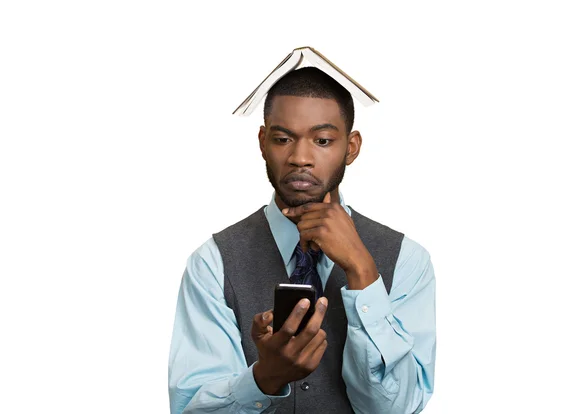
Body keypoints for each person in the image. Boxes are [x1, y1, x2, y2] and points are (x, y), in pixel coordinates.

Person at [168, 66, 436, 413]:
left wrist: (362, 271)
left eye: (322, 140)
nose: (300, 158)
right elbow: (190, 409)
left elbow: (397, 409)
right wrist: (264, 378)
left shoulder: (407, 260)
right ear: (263, 142)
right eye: (283, 139)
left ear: (351, 148)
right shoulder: (213, 262)